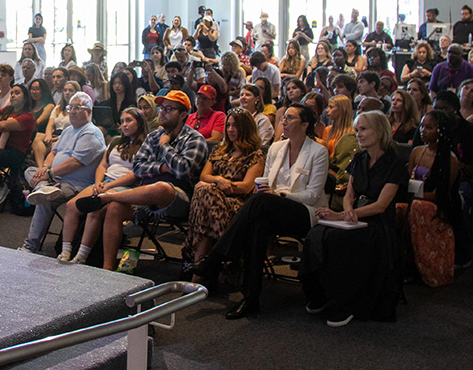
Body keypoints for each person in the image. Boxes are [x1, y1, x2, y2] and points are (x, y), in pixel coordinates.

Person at [191, 104, 328, 318]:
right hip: (271, 207)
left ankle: (215, 258)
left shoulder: (318, 151)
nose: (283, 121)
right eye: (284, 118)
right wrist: (269, 193)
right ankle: (250, 298)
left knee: (261, 201)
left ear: (305, 124)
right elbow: (262, 183)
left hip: (306, 212)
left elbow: (312, 195)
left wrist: (279, 195)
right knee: (257, 225)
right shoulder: (276, 148)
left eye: (290, 118)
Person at [74, 90, 209, 271]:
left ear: (183, 114)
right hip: (144, 196)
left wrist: (165, 146)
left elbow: (182, 170)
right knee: (115, 208)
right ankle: (107, 269)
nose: (162, 112)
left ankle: (107, 197)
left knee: (162, 187)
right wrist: (161, 167)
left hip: (178, 199)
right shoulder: (153, 136)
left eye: (169, 109)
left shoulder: (195, 139)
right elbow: (138, 168)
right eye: (161, 107)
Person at [299, 111, 406, 327]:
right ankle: (320, 292)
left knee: (339, 241)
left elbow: (381, 205)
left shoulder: (394, 163)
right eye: (357, 130)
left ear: (379, 131)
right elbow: (350, 195)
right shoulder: (359, 158)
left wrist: (344, 215)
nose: (358, 134)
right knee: (317, 234)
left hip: (378, 225)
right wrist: (346, 212)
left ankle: (347, 301)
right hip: (354, 216)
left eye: (364, 129)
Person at [18, 92, 107, 253]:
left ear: (88, 111)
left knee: (45, 200)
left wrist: (49, 174)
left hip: (75, 185)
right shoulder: (68, 130)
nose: (72, 111)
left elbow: (74, 163)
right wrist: (44, 168)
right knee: (30, 171)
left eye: (76, 108)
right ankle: (43, 187)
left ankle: (30, 245)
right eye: (70, 107)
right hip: (55, 179)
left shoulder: (91, 133)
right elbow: (53, 153)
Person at [58, 107, 149, 264]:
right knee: (72, 205)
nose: (125, 125)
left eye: (129, 121)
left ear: (139, 123)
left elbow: (136, 174)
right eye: (122, 122)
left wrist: (108, 186)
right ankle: (66, 251)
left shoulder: (146, 146)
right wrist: (100, 182)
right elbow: (103, 165)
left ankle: (81, 256)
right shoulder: (115, 142)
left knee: (95, 208)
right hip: (105, 182)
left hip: (126, 187)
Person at [183, 109, 265, 268]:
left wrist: (220, 187)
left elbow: (247, 186)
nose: (230, 130)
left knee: (204, 192)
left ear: (246, 128)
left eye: (235, 126)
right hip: (211, 202)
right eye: (228, 125)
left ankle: (195, 261)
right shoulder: (219, 150)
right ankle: (213, 262)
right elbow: (204, 176)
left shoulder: (256, 155)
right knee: (205, 192)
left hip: (237, 205)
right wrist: (218, 181)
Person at [400, 111, 461, 287]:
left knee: (411, 209)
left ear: (440, 131)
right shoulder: (417, 152)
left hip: (435, 205)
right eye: (422, 126)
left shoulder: (449, 159)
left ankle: (411, 264)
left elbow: (440, 194)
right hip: (413, 199)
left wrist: (413, 197)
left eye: (429, 127)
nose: (423, 131)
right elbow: (407, 181)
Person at [0, 83, 37, 206]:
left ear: (25, 97)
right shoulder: (7, 110)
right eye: (12, 93)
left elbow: (2, 125)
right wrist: (0, 125)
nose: (13, 95)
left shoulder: (28, 117)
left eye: (17, 93)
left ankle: (0, 186)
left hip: (16, 152)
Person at [323, 95, 359, 206]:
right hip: (327, 168)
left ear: (342, 109)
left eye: (331, 107)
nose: (327, 110)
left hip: (343, 171)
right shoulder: (327, 130)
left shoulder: (353, 134)